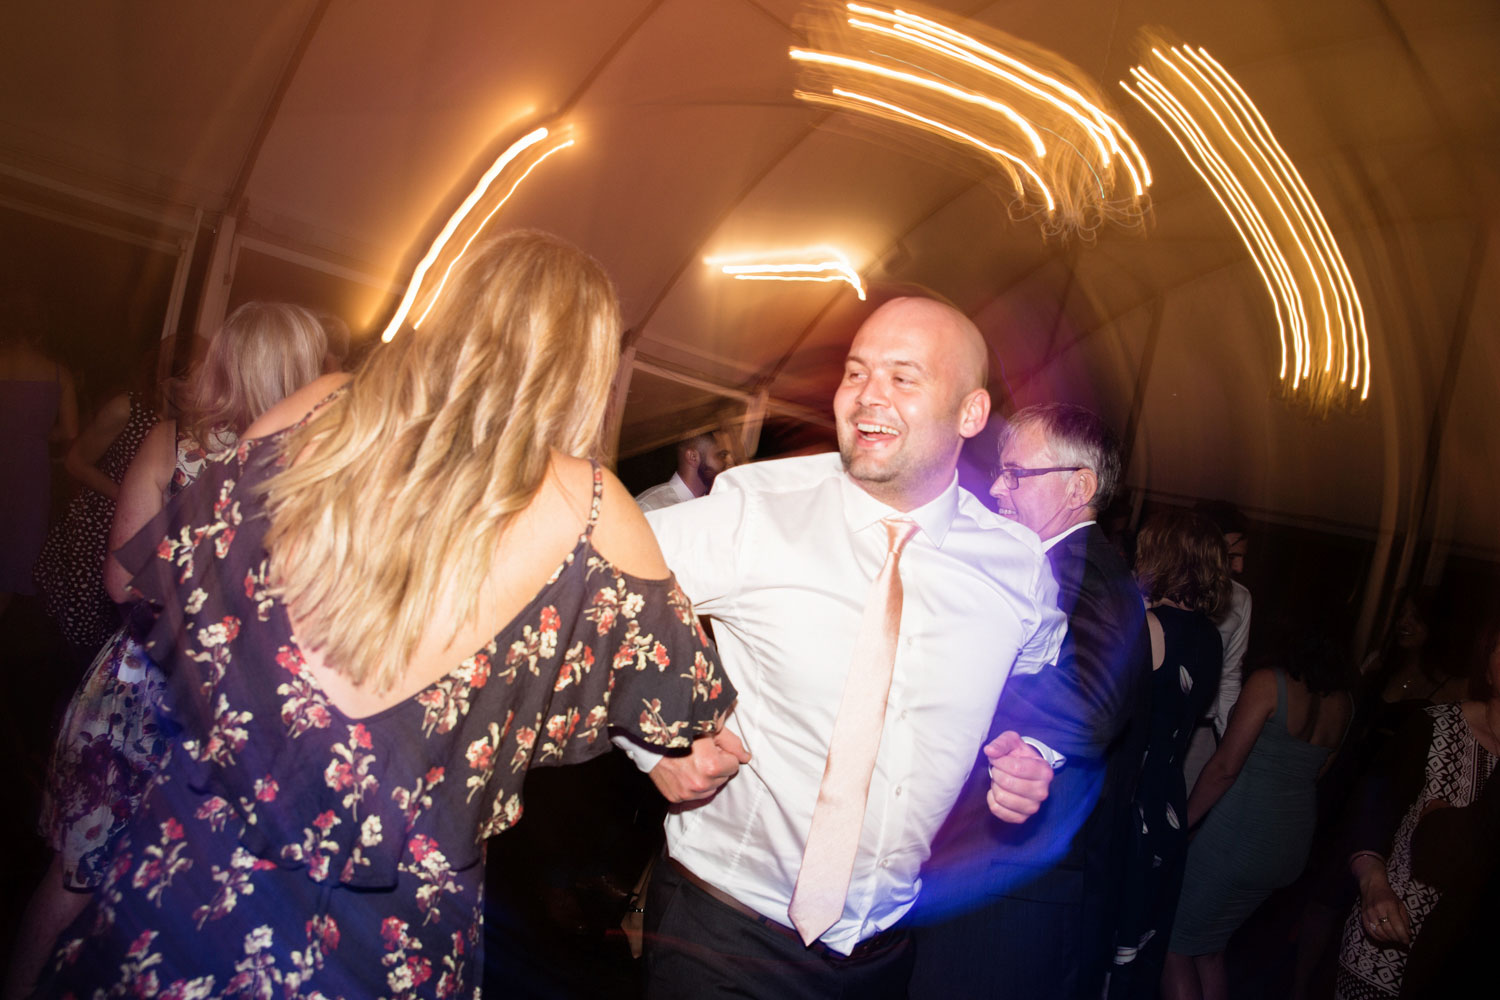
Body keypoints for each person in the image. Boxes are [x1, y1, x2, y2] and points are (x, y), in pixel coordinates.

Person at [34, 230, 736, 997]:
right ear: (588, 369)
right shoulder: (594, 507)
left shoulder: (322, 409)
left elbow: (175, 573)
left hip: (191, 873)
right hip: (378, 942)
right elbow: (690, 717)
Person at [627, 296, 1067, 999]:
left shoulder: (1015, 568)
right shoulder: (758, 509)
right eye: (856, 372)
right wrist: (654, 738)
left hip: (883, 957)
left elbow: (1047, 679)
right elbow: (595, 595)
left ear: (971, 413)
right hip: (725, 938)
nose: (868, 396)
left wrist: (1036, 752)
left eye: (902, 377)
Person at [8, 306, 327, 1000]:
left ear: (228, 360)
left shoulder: (176, 442)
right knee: (177, 906)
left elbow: (123, 580)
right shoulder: (318, 480)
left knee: (73, 880)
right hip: (229, 714)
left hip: (144, 686)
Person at [911, 402, 1151, 1000]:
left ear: (1080, 486)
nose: (998, 488)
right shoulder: (1045, 565)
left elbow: (1092, 707)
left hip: (1017, 891)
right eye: (1000, 471)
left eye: (1017, 474)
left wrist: (1021, 748)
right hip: (994, 874)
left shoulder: (1089, 572)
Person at [1164, 613, 1355, 1000]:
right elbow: (1315, 775)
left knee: (1173, 945)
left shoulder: (1270, 683)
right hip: (1291, 842)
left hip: (1240, 837)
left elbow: (1224, 768)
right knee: (1210, 949)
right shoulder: (1346, 704)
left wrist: (1179, 823)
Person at [1334, 615, 1499, 1000]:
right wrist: (1373, 884)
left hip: (1459, 962)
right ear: (1486, 667)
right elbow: (1368, 812)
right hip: (1392, 937)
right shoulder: (1435, 726)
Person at [1109, 509, 1229, 1000]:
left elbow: (1113, 719)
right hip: (1168, 801)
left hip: (1135, 799)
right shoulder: (1211, 637)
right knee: (1146, 943)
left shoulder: (1150, 626)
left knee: (1113, 941)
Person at [32, 351, 164, 661]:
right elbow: (75, 463)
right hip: (97, 526)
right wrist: (131, 497)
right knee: (76, 638)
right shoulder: (127, 407)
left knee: (116, 638)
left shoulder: (195, 422)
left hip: (144, 537)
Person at [0, 298, 77, 616]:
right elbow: (70, 433)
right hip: (29, 469)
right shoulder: (59, 374)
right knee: (14, 549)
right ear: (40, 334)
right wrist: (35, 434)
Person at [1182, 502, 1253, 791]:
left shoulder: (1241, 599)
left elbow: (1230, 677)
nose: (1239, 567)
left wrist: (1227, 746)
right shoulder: (1168, 585)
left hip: (1200, 735)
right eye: (1233, 556)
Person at [634, 430, 735, 511]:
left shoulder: (716, 503)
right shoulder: (651, 508)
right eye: (722, 455)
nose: (730, 462)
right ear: (693, 457)